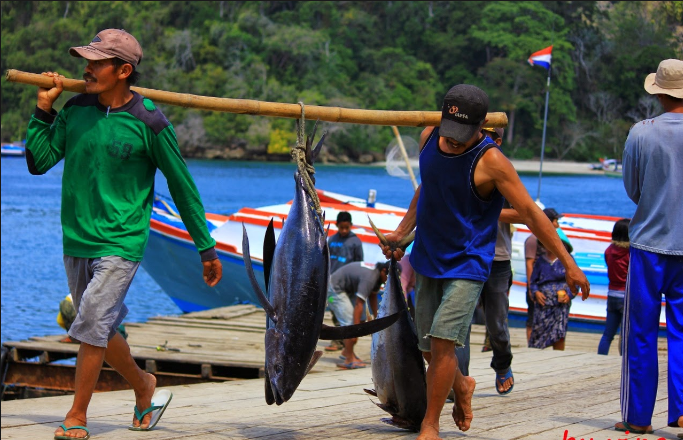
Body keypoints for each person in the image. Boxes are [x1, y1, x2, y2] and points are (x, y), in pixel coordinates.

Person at [24, 29, 223, 440]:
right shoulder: (76, 108)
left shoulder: (149, 121)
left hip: (123, 241)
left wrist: (206, 247)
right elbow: (38, 161)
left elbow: (182, 186)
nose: (87, 68)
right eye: (88, 61)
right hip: (77, 238)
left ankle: (77, 414)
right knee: (98, 325)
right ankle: (144, 386)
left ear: (123, 70)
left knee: (93, 320)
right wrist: (44, 110)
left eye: (97, 62)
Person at [380, 84, 590, 439]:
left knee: (444, 343)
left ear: (482, 127)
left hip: (468, 262)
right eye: (452, 133)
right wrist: (402, 232)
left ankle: (430, 425)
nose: (456, 141)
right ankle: (462, 386)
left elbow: (530, 213)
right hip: (428, 256)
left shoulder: (492, 161)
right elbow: (427, 187)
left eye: (465, 135)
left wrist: (569, 262)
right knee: (429, 349)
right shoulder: (429, 137)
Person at [615, 58, 683, 437]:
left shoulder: (642, 132)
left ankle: (638, 416)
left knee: (640, 332)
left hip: (649, 244)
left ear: (657, 92)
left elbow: (633, 188)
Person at [455, 126, 520, 395]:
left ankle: (502, 364)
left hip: (498, 260)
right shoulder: (461, 167)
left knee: (496, 325)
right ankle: (457, 381)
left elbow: (524, 213)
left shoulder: (503, 171)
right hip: (466, 256)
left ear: (499, 141)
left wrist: (491, 211)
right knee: (458, 324)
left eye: (488, 135)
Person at [326, 261, 392, 369]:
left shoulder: (378, 276)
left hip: (348, 289)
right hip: (334, 289)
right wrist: (355, 332)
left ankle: (346, 351)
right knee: (349, 324)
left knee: (361, 320)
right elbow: (359, 304)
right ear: (384, 271)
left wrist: (377, 319)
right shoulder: (370, 278)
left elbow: (373, 297)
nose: (389, 281)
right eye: (389, 277)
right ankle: (349, 359)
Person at [524, 207, 570, 342]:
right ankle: (531, 345)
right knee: (533, 317)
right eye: (556, 221)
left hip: (548, 285)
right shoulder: (533, 239)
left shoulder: (552, 237)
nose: (558, 224)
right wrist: (531, 287)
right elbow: (529, 263)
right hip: (537, 283)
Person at [325, 211, 364, 352]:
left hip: (348, 284)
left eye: (347, 228)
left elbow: (359, 262)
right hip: (332, 282)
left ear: (351, 226)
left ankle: (342, 340)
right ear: (336, 225)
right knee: (335, 310)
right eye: (341, 227)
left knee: (345, 312)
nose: (344, 231)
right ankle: (338, 339)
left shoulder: (355, 242)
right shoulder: (331, 240)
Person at [528, 238, 575, 350]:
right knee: (539, 332)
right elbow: (533, 282)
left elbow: (575, 283)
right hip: (544, 303)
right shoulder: (541, 261)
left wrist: (569, 295)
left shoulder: (568, 260)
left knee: (559, 333)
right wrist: (536, 293)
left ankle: (558, 356)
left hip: (561, 305)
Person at [597, 218, 630, 356]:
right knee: (625, 334)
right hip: (626, 294)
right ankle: (623, 361)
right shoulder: (631, 253)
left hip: (612, 293)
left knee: (607, 334)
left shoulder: (609, 250)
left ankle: (600, 358)